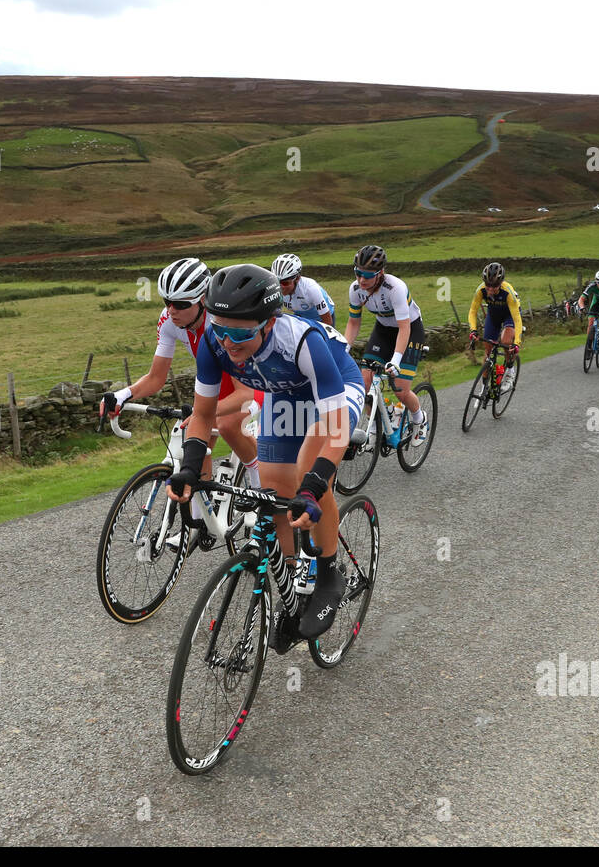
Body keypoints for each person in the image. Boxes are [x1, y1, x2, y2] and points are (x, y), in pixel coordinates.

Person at [166, 263, 365, 643]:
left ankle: (327, 574)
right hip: (282, 392)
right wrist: (191, 467)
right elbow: (202, 415)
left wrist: (313, 485)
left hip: (334, 387)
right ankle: (291, 589)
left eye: (240, 333)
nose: (227, 343)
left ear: (270, 323)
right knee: (275, 494)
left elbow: (335, 431)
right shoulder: (213, 341)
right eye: (220, 330)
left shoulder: (303, 340)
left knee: (308, 472)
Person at [100, 257, 260, 491]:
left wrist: (202, 414)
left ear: (203, 301)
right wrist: (123, 395)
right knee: (194, 448)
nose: (171, 310)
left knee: (226, 425)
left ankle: (260, 486)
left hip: (251, 384)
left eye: (181, 304)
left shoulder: (221, 325)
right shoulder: (168, 320)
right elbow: (156, 378)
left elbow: (245, 393)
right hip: (214, 383)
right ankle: (201, 524)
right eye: (167, 302)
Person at [341, 244, 429, 448]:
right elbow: (353, 322)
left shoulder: (395, 288)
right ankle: (375, 426)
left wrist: (396, 361)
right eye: (358, 273)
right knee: (363, 384)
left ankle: (419, 418)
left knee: (399, 388)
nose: (362, 279)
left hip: (409, 329)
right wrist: (342, 349)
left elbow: (404, 328)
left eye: (367, 275)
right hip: (383, 330)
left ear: (380, 273)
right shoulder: (355, 290)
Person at [467, 262, 523, 388]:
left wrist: (517, 343)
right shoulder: (481, 290)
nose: (491, 289)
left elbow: (517, 320)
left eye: (495, 286)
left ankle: (510, 370)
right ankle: (484, 386)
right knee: (487, 352)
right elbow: (472, 311)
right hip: (494, 316)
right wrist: (473, 330)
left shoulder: (508, 292)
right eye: (488, 285)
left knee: (506, 340)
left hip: (510, 315)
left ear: (501, 283)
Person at [271, 252, 335, 327]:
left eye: (285, 283)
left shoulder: (311, 289)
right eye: (277, 282)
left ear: (297, 278)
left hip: (322, 318)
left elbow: (328, 323)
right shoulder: (274, 288)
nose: (281, 287)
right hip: (302, 316)